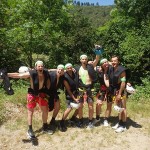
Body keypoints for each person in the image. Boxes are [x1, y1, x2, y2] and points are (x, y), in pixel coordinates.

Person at [8, 61, 52, 139]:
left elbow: (53, 70)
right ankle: (30, 129)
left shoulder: (45, 72)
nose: (40, 68)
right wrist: (6, 74)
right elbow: (18, 75)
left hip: (41, 93)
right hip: (32, 94)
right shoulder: (31, 73)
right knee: (30, 112)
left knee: (45, 110)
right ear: (36, 67)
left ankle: (45, 126)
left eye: (42, 66)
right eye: (39, 66)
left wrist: (67, 70)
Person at [74, 46, 102, 129]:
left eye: (85, 59)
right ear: (80, 60)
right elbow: (66, 70)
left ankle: (90, 122)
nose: (84, 60)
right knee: (80, 106)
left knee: (90, 106)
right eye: (82, 59)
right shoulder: (76, 68)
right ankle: (81, 121)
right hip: (80, 90)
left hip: (90, 89)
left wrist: (98, 51)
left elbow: (97, 59)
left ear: (87, 60)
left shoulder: (91, 66)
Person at [59, 63, 81, 132]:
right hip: (70, 94)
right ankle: (62, 122)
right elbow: (68, 90)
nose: (69, 69)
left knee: (80, 106)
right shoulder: (65, 77)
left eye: (70, 67)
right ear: (66, 69)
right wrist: (74, 98)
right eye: (68, 68)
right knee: (69, 108)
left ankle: (73, 118)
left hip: (77, 93)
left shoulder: (75, 73)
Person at [108, 55, 127, 133]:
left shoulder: (122, 70)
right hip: (115, 90)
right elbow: (107, 63)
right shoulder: (112, 68)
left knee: (123, 108)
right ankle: (119, 123)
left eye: (115, 61)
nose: (113, 62)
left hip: (122, 91)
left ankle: (123, 125)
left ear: (118, 61)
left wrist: (119, 94)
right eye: (112, 61)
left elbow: (123, 82)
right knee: (119, 107)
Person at [93, 58, 110, 126]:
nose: (105, 63)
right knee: (98, 104)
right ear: (101, 65)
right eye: (103, 63)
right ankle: (97, 118)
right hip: (102, 89)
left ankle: (106, 119)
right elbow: (92, 66)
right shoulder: (99, 70)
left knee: (109, 105)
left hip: (110, 89)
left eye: (106, 62)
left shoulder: (112, 69)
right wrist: (90, 62)